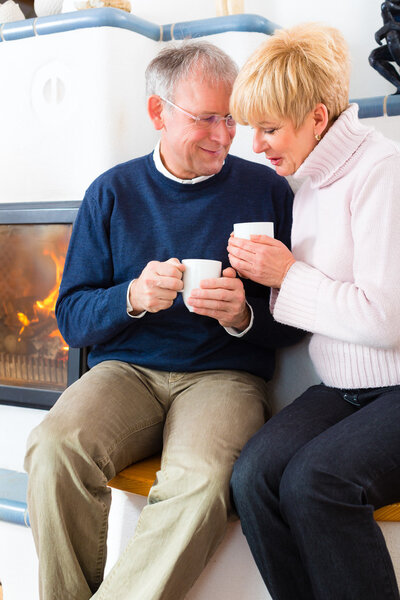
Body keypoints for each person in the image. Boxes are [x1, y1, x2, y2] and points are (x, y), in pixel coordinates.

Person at [24, 40, 303, 600]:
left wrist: (243, 315)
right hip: (127, 372)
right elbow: (73, 320)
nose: (225, 135)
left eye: (231, 118)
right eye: (206, 119)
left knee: (200, 482)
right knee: (53, 447)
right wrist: (132, 295)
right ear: (159, 113)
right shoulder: (112, 192)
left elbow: (297, 319)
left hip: (224, 377)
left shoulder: (269, 191)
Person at [227, 22, 400, 600]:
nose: (256, 145)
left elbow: (383, 318)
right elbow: (312, 310)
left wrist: (287, 276)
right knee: (253, 478)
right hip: (345, 388)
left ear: (318, 119)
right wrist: (245, 300)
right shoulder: (306, 189)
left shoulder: (382, 172)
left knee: (314, 483)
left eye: (270, 128)